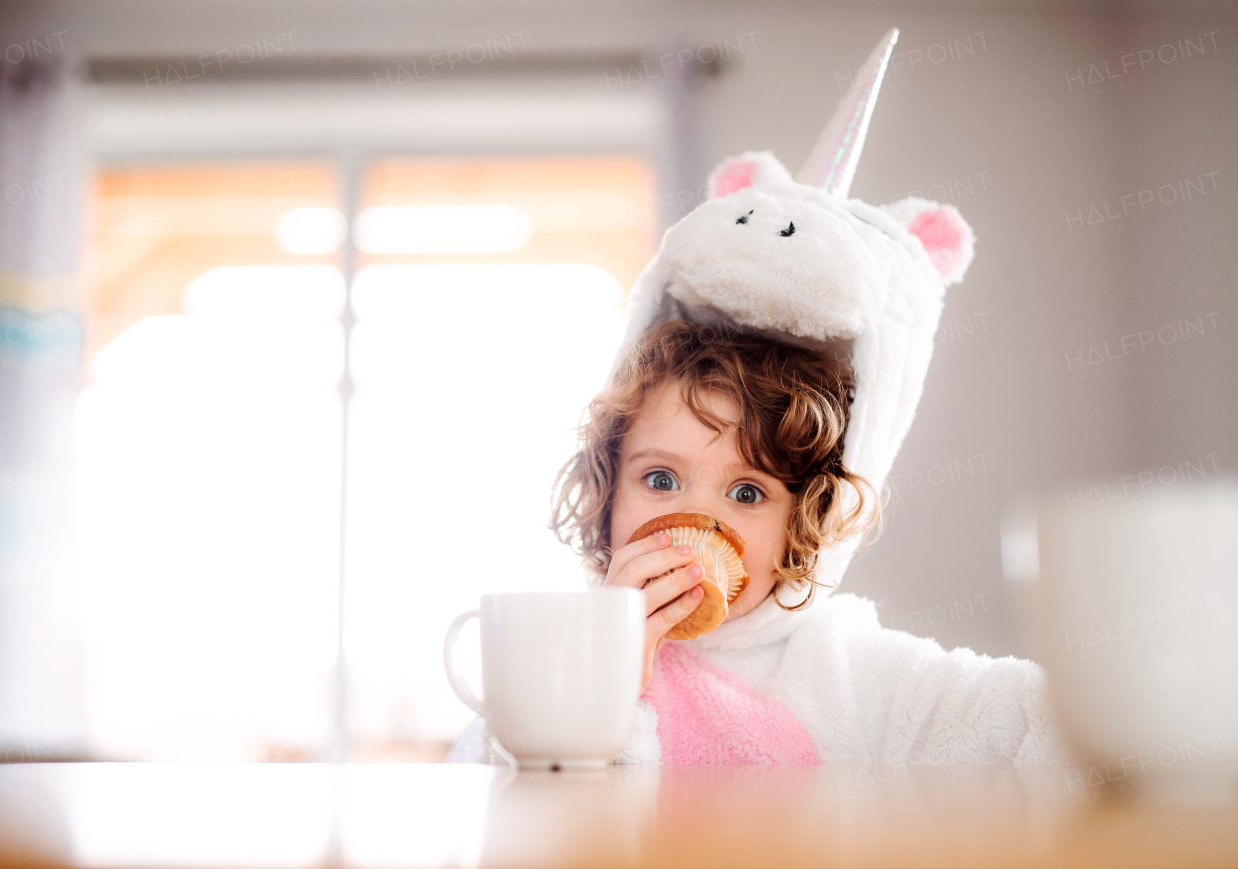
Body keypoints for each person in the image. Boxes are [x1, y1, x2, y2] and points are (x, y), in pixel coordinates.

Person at [448, 29, 1078, 766]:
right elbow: (489, 800)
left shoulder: (857, 676)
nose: (700, 516)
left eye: (748, 492)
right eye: (659, 478)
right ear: (605, 490)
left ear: (805, 525)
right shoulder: (560, 654)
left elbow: (1041, 729)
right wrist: (600, 680)